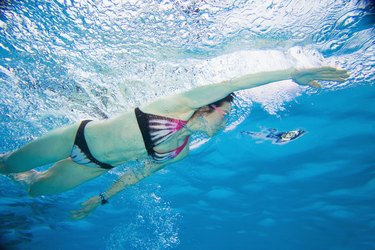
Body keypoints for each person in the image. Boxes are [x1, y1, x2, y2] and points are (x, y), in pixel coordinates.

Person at [0, 67, 349, 219]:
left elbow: (137, 175)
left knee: (34, 189)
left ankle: (25, 176)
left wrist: (99, 198)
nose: (225, 121)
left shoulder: (178, 153)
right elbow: (236, 81)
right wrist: (292, 73)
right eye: (223, 114)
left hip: (95, 166)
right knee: (5, 164)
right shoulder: (172, 107)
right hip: (77, 136)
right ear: (207, 107)